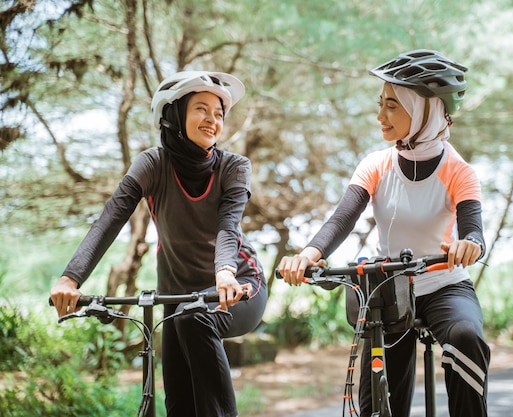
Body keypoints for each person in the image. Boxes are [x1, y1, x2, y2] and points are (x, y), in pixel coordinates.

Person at [278, 50, 490, 417]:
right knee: (378, 396)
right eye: (381, 104)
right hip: (389, 289)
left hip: (445, 286)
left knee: (465, 339)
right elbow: (341, 220)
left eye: (392, 105)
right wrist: (308, 255)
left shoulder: (459, 171)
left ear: (424, 110)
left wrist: (469, 244)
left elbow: (473, 230)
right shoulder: (376, 165)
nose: (380, 116)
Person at [50, 70, 268, 417]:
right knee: (178, 402)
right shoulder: (154, 163)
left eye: (219, 113)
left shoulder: (234, 167)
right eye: (202, 109)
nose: (212, 119)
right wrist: (70, 278)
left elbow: (229, 226)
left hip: (238, 286)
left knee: (196, 320)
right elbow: (111, 218)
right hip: (177, 298)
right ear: (175, 115)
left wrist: (225, 272)